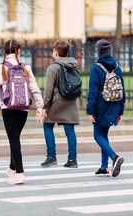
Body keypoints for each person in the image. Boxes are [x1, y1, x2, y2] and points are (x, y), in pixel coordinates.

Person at [0, 39, 43, 184]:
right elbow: (34, 88)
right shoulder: (26, 67)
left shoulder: (1, 68)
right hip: (24, 108)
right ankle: (12, 168)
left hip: (9, 108)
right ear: (18, 51)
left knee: (13, 139)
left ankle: (19, 172)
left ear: (5, 52)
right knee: (16, 138)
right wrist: (39, 106)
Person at [86, 39, 125, 177]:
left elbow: (93, 92)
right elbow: (122, 91)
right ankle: (104, 167)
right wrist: (120, 111)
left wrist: (90, 110)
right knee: (104, 135)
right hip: (113, 105)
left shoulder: (96, 68)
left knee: (97, 136)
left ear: (98, 52)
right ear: (110, 51)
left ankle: (114, 157)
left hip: (100, 107)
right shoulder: (117, 68)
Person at [40, 40, 80, 168]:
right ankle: (72, 160)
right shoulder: (73, 65)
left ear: (56, 53)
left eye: (53, 51)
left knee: (47, 125)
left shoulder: (53, 67)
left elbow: (49, 90)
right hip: (71, 101)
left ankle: (51, 157)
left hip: (57, 101)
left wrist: (45, 106)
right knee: (69, 129)